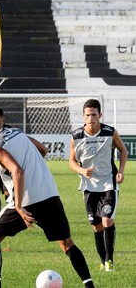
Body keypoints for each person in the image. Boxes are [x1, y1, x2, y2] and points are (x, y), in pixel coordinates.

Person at [0, 120, 95, 288]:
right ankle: (89, 286)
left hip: (26, 200)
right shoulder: (16, 132)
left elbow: (17, 170)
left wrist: (19, 206)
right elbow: (43, 149)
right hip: (49, 193)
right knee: (66, 243)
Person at [69, 98, 128, 272]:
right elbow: (71, 161)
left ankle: (110, 260)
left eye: (94, 115)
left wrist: (121, 171)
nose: (91, 119)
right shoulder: (76, 136)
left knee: (107, 220)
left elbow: (123, 150)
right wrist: (81, 170)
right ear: (83, 116)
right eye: (88, 115)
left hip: (108, 184)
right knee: (96, 226)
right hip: (88, 187)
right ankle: (102, 261)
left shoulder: (109, 132)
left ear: (100, 115)